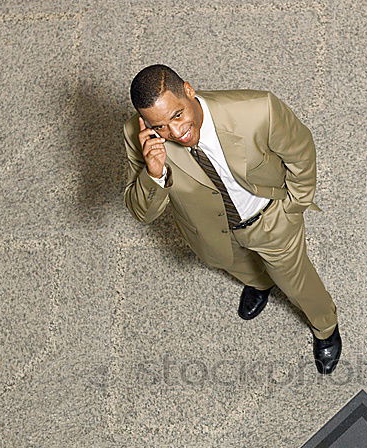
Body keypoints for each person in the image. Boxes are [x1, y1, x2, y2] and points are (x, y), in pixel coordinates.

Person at [122, 64, 342, 375]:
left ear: (188, 90)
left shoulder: (258, 110)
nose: (176, 133)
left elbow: (301, 153)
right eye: (160, 127)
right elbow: (142, 212)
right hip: (210, 233)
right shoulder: (139, 138)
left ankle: (326, 327)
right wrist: (153, 173)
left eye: (177, 115)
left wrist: (295, 205)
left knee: (298, 284)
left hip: (270, 220)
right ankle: (260, 282)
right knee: (242, 267)